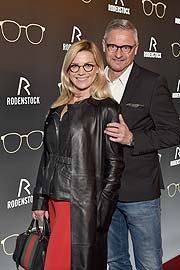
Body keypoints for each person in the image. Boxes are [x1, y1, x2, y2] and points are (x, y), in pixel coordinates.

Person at [32, 39, 124, 270]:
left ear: (97, 69)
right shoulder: (57, 108)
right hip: (55, 200)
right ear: (67, 70)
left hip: (80, 205)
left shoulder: (106, 108)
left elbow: (114, 166)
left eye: (88, 66)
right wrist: (40, 199)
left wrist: (101, 212)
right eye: (75, 66)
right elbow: (47, 157)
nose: (81, 72)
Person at [103, 19, 180, 270]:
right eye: (113, 46)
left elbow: (173, 132)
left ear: (136, 48)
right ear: (104, 46)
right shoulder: (91, 82)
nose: (118, 53)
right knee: (115, 262)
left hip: (141, 194)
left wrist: (132, 138)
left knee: (148, 264)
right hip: (102, 192)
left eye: (126, 47)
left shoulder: (152, 82)